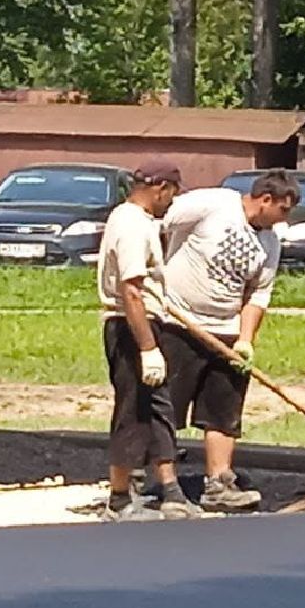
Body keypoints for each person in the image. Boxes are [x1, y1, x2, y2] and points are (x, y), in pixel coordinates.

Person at [159, 170, 299, 512]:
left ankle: (219, 482)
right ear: (265, 199)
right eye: (283, 209)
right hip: (177, 323)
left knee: (223, 411)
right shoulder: (213, 204)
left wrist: (245, 340)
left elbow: (257, 294)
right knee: (165, 408)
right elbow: (160, 225)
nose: (285, 218)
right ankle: (163, 485)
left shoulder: (270, 243)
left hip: (226, 333)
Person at [96, 159, 197, 522]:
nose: (170, 203)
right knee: (133, 410)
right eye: (171, 195)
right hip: (129, 326)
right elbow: (131, 290)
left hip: (147, 322)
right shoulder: (130, 225)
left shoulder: (142, 222)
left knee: (159, 409)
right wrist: (147, 348)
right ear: (160, 189)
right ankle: (120, 499)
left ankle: (171, 492)